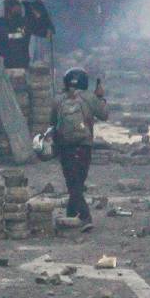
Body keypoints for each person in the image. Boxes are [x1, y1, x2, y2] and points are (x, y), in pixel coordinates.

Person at [50, 68, 109, 230]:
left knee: (73, 182)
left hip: (65, 147)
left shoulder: (59, 99)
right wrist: (100, 97)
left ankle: (76, 215)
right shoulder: (89, 97)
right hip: (84, 146)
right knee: (77, 182)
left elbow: (52, 122)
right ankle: (82, 216)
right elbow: (104, 115)